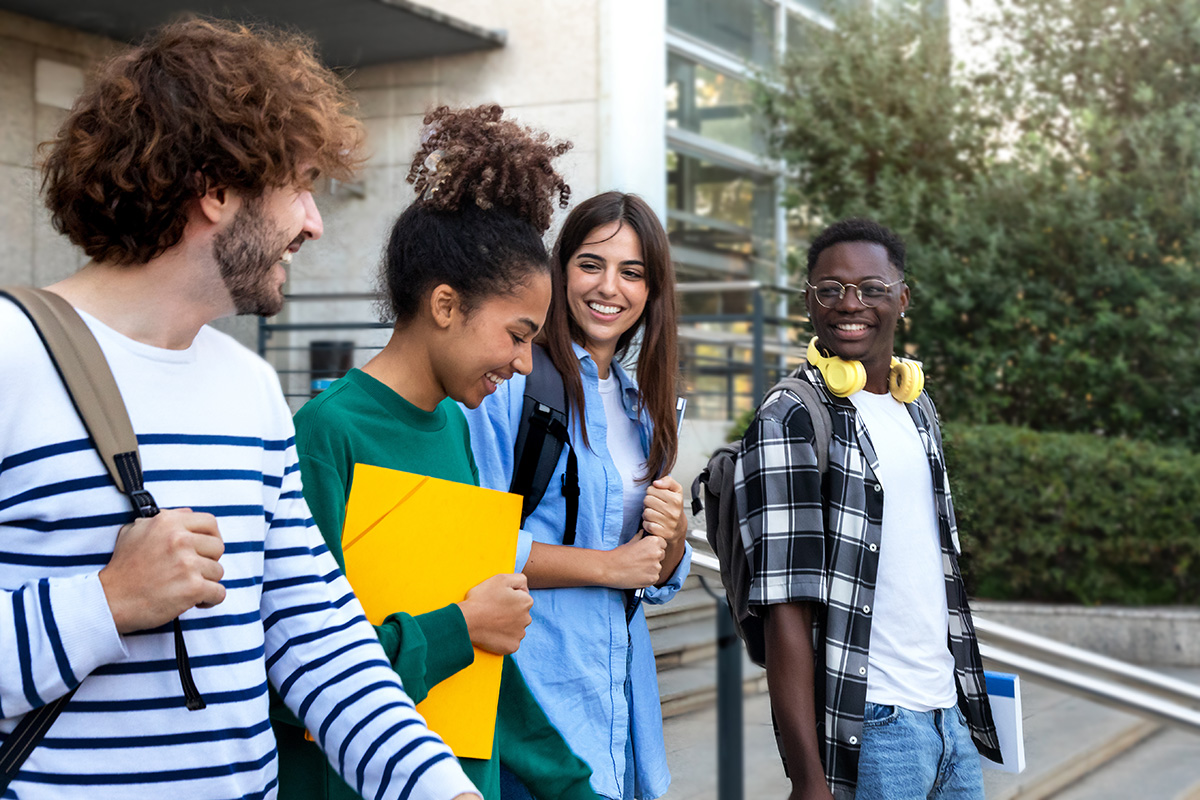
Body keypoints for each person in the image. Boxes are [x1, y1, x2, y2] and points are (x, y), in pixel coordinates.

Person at [0, 20, 478, 800]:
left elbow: (318, 638)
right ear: (217, 190)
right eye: (303, 185)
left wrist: (441, 790)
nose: (315, 224)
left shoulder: (249, 388)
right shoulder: (10, 355)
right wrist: (107, 603)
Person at [276, 104, 599, 800]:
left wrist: (575, 789)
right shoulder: (327, 435)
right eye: (516, 335)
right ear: (446, 306)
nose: (522, 365)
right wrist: (459, 628)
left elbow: (487, 676)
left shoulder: (454, 430)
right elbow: (298, 672)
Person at [735, 218, 1002, 800]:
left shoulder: (916, 407)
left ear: (902, 298)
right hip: (873, 728)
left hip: (948, 715)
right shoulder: (792, 417)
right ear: (809, 300)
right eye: (830, 289)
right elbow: (785, 606)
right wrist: (808, 777)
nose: (849, 304)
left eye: (871, 288)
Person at [464, 192, 692, 800]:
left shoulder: (646, 405)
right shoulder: (511, 383)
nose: (609, 287)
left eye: (632, 272)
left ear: (652, 290)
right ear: (560, 269)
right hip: (532, 701)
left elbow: (656, 575)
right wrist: (609, 567)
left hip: (621, 704)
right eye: (592, 264)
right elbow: (473, 545)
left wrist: (673, 535)